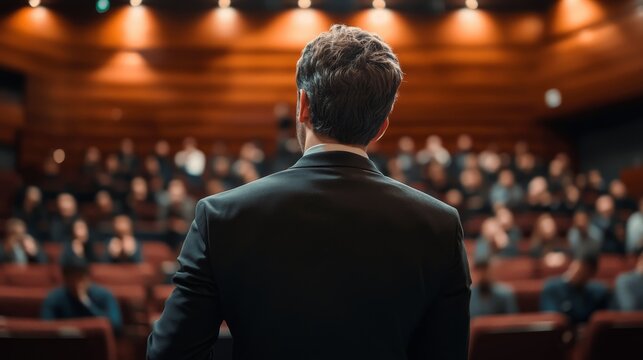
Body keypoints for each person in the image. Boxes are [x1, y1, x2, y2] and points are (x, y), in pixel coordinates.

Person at [148, 25, 471, 360]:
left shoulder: (221, 216)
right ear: (381, 128)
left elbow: (170, 354)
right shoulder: (440, 226)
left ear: (303, 106)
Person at [41, 259, 122, 334]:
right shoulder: (54, 297)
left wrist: (87, 303)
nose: (77, 284)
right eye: (72, 279)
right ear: (65, 280)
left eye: (81, 278)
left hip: (95, 343)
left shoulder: (104, 295)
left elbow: (115, 325)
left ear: (89, 278)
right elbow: (46, 327)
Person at [540, 257, 610, 324]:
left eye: (587, 271)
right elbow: (553, 319)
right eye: (580, 268)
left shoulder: (597, 292)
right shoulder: (552, 287)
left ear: (591, 275)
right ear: (573, 265)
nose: (582, 273)